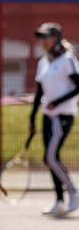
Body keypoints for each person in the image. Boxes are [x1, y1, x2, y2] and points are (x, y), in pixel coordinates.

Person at [29, 22, 79, 216]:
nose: (43, 41)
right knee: (52, 159)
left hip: (63, 116)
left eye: (46, 37)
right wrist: (32, 119)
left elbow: (77, 86)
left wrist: (57, 102)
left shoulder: (68, 60)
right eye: (41, 37)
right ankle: (59, 201)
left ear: (56, 38)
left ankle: (73, 192)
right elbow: (39, 92)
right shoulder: (43, 62)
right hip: (47, 116)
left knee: (49, 157)